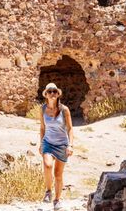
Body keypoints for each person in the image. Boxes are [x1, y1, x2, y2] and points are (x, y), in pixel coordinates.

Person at [39, 82, 74, 210]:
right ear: (46, 95)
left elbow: (70, 128)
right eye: (50, 91)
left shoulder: (64, 110)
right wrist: (41, 143)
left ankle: (57, 200)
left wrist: (70, 145)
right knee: (47, 165)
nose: (52, 93)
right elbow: (42, 128)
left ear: (58, 94)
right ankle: (48, 191)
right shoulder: (43, 109)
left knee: (58, 174)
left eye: (54, 91)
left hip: (62, 145)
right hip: (48, 142)